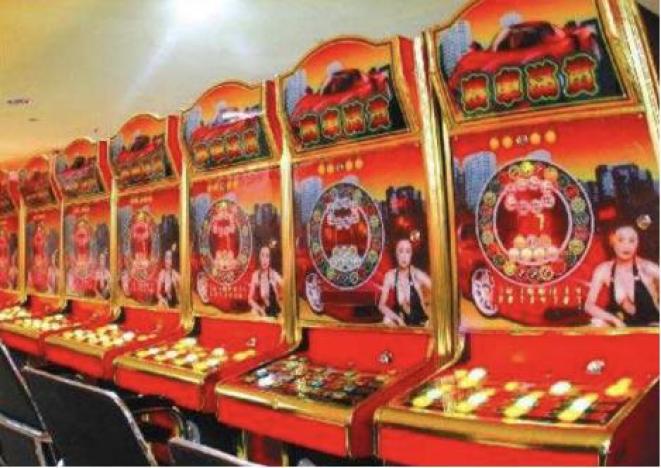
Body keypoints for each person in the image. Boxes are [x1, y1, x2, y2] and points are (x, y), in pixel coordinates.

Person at [585, 222, 659, 327]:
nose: (626, 246)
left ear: (638, 243)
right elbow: (589, 305)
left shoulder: (648, 268)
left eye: (631, 241)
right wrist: (613, 319)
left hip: (651, 328)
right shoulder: (605, 269)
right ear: (611, 241)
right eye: (620, 240)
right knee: (596, 322)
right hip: (622, 328)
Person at [379, 238, 432, 326]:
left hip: (420, 324)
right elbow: (381, 305)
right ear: (396, 254)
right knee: (387, 319)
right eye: (401, 251)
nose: (404, 256)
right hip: (402, 323)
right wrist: (397, 318)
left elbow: (438, 291)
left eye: (408, 252)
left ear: (411, 255)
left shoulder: (417, 274)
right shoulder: (390, 276)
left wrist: (430, 310)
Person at [248, 246, 283, 317]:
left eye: (267, 256)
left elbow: (286, 286)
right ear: (259, 258)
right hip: (263, 311)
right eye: (262, 255)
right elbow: (250, 299)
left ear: (270, 259)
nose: (264, 259)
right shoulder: (255, 275)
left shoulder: (274, 274)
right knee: (253, 312)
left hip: (275, 311)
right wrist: (259, 309)